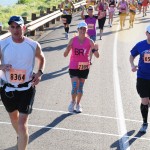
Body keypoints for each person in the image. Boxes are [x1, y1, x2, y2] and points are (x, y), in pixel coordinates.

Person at [0, 16, 45, 150]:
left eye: (18, 26)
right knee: (14, 120)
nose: (15, 30)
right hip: (8, 90)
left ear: (23, 28)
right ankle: (21, 137)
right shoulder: (2, 44)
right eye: (12, 27)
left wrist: (40, 72)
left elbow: (42, 59)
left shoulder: (33, 45)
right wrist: (1, 67)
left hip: (26, 88)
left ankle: (21, 142)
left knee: (22, 124)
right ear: (9, 28)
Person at [64, 21, 99, 113]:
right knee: (75, 86)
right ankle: (72, 102)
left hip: (84, 66)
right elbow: (65, 55)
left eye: (84, 29)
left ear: (86, 30)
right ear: (78, 30)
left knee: (80, 88)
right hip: (73, 65)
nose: (82, 31)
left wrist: (96, 49)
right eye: (81, 29)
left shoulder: (90, 41)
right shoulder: (72, 40)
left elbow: (97, 55)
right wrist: (67, 49)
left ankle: (78, 104)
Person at [129, 25, 150, 133]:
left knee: (148, 101)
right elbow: (132, 55)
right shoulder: (140, 45)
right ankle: (145, 122)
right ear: (146, 33)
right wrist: (132, 65)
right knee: (144, 101)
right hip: (142, 77)